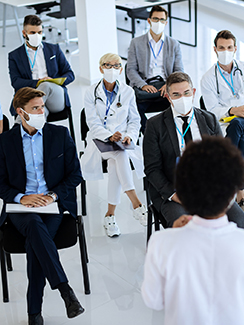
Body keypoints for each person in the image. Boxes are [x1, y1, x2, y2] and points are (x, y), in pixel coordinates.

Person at [142, 136, 244, 325]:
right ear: (233, 195)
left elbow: (154, 300)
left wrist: (173, 234)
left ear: (183, 191)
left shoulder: (160, 243)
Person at [0, 87, 84, 325]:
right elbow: (0, 182)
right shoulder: (5, 142)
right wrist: (20, 198)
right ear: (21, 112)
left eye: (42, 106)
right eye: (35, 108)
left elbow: (75, 175)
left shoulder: (60, 135)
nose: (41, 111)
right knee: (36, 228)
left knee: (36, 241)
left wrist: (53, 195)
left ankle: (33, 313)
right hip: (21, 207)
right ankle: (65, 291)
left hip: (52, 205)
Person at [143, 71, 244, 229]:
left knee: (239, 220)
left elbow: (222, 160)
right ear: (168, 97)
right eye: (176, 95)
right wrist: (174, 195)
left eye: (186, 93)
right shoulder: (154, 125)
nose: (182, 98)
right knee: (185, 228)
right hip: (173, 190)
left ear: (193, 93)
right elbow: (152, 169)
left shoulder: (209, 119)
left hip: (209, 188)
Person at [81, 53, 147, 237]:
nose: (112, 69)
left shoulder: (128, 92)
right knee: (120, 156)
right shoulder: (90, 92)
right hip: (98, 141)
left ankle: (110, 216)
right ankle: (136, 204)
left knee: (116, 162)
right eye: (107, 65)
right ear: (101, 68)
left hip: (123, 141)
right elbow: (92, 124)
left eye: (116, 65)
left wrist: (129, 136)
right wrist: (110, 136)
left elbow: (135, 121)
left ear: (120, 69)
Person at [200, 29, 244, 205]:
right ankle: (241, 191)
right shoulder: (208, 78)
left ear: (235, 48)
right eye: (221, 48)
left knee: (239, 126)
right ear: (214, 49)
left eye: (229, 47)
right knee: (240, 137)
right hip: (226, 124)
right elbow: (211, 110)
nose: (226, 51)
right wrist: (233, 110)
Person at [126, 5, 184, 133]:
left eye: (162, 20)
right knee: (134, 108)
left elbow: (179, 70)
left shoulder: (174, 44)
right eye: (155, 19)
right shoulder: (136, 43)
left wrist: (169, 85)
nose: (159, 22)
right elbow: (130, 69)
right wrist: (143, 85)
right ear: (149, 20)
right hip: (145, 85)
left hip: (165, 86)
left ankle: (170, 136)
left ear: (166, 22)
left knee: (180, 104)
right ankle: (150, 136)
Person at [8, 15, 75, 119]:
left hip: (55, 97)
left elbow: (70, 74)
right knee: (39, 112)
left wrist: (52, 81)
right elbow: (16, 82)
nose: (37, 35)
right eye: (33, 33)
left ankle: (18, 126)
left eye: (39, 32)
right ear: (24, 33)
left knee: (46, 85)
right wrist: (37, 83)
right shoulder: (15, 55)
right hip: (29, 96)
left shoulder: (54, 49)